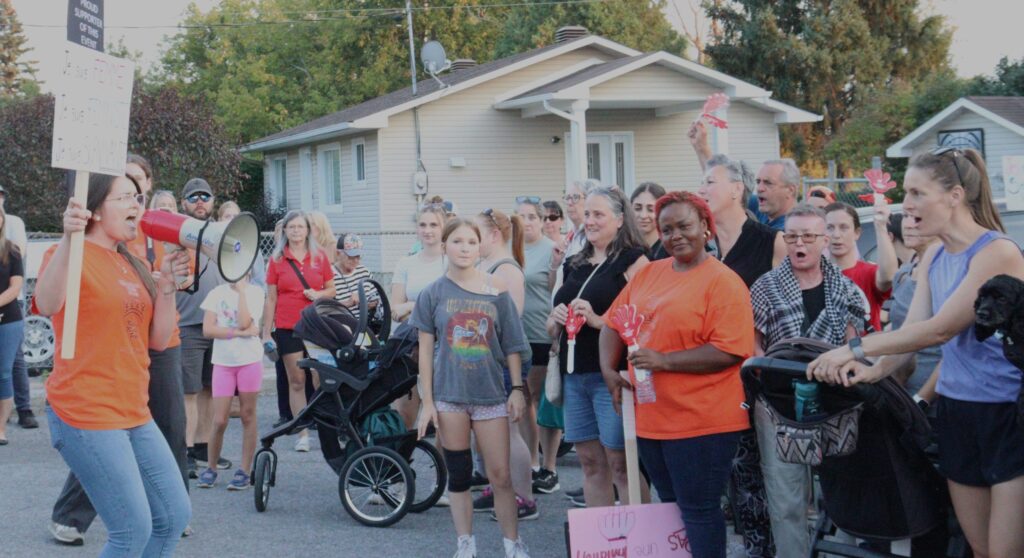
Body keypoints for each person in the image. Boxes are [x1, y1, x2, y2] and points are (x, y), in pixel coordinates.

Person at [808, 147, 1024, 558]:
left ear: (955, 195)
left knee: (1005, 553)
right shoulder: (936, 256)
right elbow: (908, 337)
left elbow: (939, 329)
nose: (906, 204)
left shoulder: (998, 252)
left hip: (1006, 415)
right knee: (978, 549)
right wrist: (868, 371)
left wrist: (853, 348)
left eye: (917, 192)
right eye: (905, 192)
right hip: (957, 414)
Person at [36, 173, 192, 556]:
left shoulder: (133, 261)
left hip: (133, 411)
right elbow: (48, 301)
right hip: (86, 410)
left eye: (138, 198)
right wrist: (69, 237)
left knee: (173, 516)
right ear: (94, 209)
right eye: (125, 198)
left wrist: (168, 289)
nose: (137, 206)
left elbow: (157, 340)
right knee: (131, 529)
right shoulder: (67, 254)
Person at [600, 191, 753, 558]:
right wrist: (608, 369)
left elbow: (730, 350)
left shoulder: (723, 281)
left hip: (704, 421)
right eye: (666, 229)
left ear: (705, 227)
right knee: (670, 508)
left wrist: (665, 361)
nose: (675, 235)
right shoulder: (650, 272)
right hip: (652, 418)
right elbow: (613, 323)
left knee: (698, 511)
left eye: (684, 225)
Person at [749, 204, 865, 558]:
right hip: (779, 402)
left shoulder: (846, 289)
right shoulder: (764, 287)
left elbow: (856, 345)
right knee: (786, 500)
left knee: (845, 496)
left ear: (824, 240)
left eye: (808, 236)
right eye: (792, 236)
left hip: (836, 402)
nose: (799, 243)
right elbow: (753, 347)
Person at [412, 217, 531, 558]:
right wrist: (428, 402)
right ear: (445, 246)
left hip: (491, 396)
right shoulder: (432, 294)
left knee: (501, 476)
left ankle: (512, 543)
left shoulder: (496, 290)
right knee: (460, 476)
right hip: (450, 398)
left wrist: (517, 389)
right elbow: (424, 351)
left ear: (481, 247)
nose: (464, 248)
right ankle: (465, 543)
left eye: (471, 242)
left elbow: (512, 345)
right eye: (457, 241)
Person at [697, 154, 783, 558]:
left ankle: (766, 550)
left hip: (756, 373)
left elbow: (784, 312)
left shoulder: (770, 242)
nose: (702, 190)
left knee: (763, 475)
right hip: (707, 373)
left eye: (710, 182)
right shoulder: (700, 246)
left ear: (736, 189)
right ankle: (750, 546)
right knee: (727, 473)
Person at [547, 186, 649, 508]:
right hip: (575, 375)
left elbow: (648, 320)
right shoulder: (574, 262)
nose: (589, 221)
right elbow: (550, 327)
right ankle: (603, 543)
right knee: (590, 463)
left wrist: (600, 320)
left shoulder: (635, 261)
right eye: (587, 214)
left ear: (620, 220)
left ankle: (642, 542)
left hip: (613, 376)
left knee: (622, 463)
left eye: (598, 214)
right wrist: (556, 318)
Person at [471, 207, 538, 520]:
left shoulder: (506, 270)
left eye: (476, 235)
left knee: (509, 432)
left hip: (503, 359)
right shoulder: (488, 266)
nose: (470, 241)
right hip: (485, 358)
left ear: (494, 235)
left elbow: (508, 322)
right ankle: (500, 488)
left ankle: (523, 496)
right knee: (491, 430)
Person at [262, 210, 335, 452]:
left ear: (307, 231)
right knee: (296, 380)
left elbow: (331, 290)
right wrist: (265, 332)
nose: (295, 231)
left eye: (300, 227)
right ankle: (302, 432)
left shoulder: (319, 258)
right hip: (287, 327)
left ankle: (324, 426)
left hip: (315, 326)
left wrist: (318, 294)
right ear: (285, 231)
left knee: (319, 377)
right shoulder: (277, 260)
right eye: (291, 227)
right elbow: (271, 298)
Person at [175, 178, 232, 475]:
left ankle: (203, 446)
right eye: (193, 197)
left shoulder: (222, 233)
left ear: (213, 202)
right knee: (189, 392)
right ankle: (184, 451)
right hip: (188, 323)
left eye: (205, 197)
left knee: (211, 389)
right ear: (183, 202)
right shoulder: (176, 233)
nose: (200, 202)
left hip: (219, 324)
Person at [197, 273, 265, 490]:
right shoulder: (217, 293)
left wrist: (242, 291)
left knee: (247, 414)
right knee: (219, 419)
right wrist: (239, 333)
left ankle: (244, 470)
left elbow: (247, 321)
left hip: (250, 360)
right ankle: (211, 467)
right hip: (223, 362)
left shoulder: (255, 293)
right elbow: (208, 329)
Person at [514, 197, 562, 494]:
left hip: (543, 334)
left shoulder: (551, 250)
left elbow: (555, 289)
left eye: (532, 216)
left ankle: (550, 466)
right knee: (524, 399)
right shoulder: (512, 249)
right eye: (521, 216)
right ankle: (530, 462)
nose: (527, 222)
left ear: (542, 219)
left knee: (545, 400)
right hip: (517, 336)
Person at [391, 200, 448, 429]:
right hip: (408, 345)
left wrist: (412, 306)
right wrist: (422, 307)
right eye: (423, 224)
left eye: (434, 225)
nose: (428, 230)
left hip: (442, 346)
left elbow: (447, 308)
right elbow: (395, 310)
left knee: (443, 417)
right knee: (405, 413)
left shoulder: (450, 263)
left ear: (444, 227)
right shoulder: (406, 263)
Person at [824, 201, 897, 332]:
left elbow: (888, 276)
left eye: (844, 227)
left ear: (857, 233)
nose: (836, 235)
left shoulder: (869, 272)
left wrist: (881, 227)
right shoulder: (813, 275)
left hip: (865, 350)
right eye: (829, 228)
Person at [0, 185, 35, 430]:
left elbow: (18, 256)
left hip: (12, 304)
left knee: (14, 361)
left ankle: (24, 409)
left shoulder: (14, 223)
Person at [547, 179, 601, 291]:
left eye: (575, 197)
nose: (570, 203)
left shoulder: (594, 238)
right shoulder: (569, 238)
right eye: (567, 198)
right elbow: (553, 288)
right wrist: (555, 264)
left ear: (590, 200)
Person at [0, 206, 24, 445]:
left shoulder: (12, 251)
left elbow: (15, 287)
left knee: (4, 373)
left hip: (8, 320)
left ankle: (1, 429)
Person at [332, 233, 379, 320]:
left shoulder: (364, 272)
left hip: (367, 325)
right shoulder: (330, 276)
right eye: (350, 256)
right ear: (338, 253)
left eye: (358, 256)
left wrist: (369, 304)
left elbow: (376, 298)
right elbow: (324, 309)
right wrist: (347, 303)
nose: (355, 261)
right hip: (342, 327)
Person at [630, 182, 668, 260]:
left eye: (651, 210)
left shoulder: (669, 250)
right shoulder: (625, 247)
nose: (643, 215)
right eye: (637, 208)